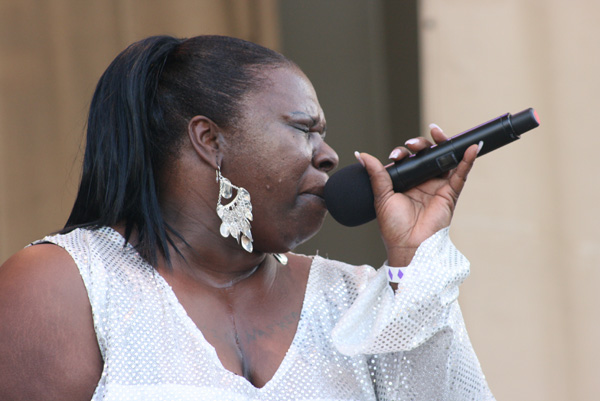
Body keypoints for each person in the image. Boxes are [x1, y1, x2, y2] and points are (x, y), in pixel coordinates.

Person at [0, 35, 494, 400]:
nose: (328, 156)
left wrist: (415, 263)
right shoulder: (67, 286)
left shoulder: (356, 298)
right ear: (209, 140)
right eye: (303, 129)